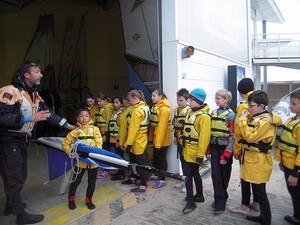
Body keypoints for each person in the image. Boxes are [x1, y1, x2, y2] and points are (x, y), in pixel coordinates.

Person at [0, 61, 76, 225]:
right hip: (8, 140)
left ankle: (10, 205)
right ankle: (20, 216)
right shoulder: (10, 92)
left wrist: (69, 126)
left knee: (20, 174)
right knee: (14, 176)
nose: (41, 75)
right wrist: (29, 118)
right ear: (27, 75)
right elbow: (2, 117)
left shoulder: (34, 95)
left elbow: (49, 114)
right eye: (37, 72)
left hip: (21, 140)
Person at [235, 90, 281, 224]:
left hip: (258, 161)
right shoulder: (257, 118)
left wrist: (243, 121)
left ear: (261, 107)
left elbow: (250, 136)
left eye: (251, 106)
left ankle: (266, 219)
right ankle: (262, 217)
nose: (249, 109)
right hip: (251, 159)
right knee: (257, 191)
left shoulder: (265, 121)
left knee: (260, 192)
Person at [230, 77, 260, 214]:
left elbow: (238, 131)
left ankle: (244, 205)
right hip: (258, 147)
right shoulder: (258, 100)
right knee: (255, 176)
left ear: (240, 91)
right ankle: (257, 202)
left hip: (245, 147)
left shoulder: (244, 105)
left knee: (245, 176)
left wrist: (236, 150)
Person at [62, 108, 102, 210]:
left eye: (86, 116)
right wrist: (72, 153)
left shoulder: (95, 130)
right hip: (80, 162)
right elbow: (66, 144)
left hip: (93, 162)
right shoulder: (75, 131)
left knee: (92, 182)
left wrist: (94, 155)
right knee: (75, 181)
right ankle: (71, 199)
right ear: (77, 118)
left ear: (90, 117)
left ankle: (88, 200)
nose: (84, 118)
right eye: (81, 116)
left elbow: (99, 144)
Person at [180, 88, 211, 214]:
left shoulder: (204, 117)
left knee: (188, 175)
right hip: (186, 149)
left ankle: (191, 203)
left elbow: (204, 137)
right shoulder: (190, 112)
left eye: (191, 100)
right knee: (193, 173)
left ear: (198, 101)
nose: (189, 102)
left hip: (194, 151)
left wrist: (200, 155)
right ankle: (199, 195)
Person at [274, 89, 300, 225]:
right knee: (293, 192)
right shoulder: (293, 119)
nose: (290, 106)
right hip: (288, 164)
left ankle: (297, 217)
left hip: (295, 168)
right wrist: (281, 160)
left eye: (294, 104)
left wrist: (295, 173)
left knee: (296, 193)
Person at [209, 89, 235, 214]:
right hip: (214, 148)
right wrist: (208, 150)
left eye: (218, 98)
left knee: (224, 176)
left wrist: (227, 155)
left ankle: (222, 196)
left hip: (225, 150)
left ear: (226, 100)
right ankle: (219, 200)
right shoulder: (213, 113)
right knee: (215, 175)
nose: (216, 100)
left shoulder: (231, 115)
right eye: (215, 97)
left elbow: (233, 137)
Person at [122, 90, 150, 193]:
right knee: (143, 162)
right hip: (142, 138)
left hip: (137, 140)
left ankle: (143, 185)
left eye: (129, 100)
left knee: (141, 164)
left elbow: (133, 129)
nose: (129, 102)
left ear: (135, 98)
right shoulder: (145, 107)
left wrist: (127, 144)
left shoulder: (137, 111)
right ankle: (142, 180)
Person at [148, 89, 172, 189]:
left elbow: (161, 127)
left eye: (154, 95)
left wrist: (158, 143)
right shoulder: (155, 107)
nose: (152, 97)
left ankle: (162, 179)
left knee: (162, 158)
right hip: (156, 138)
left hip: (163, 139)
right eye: (152, 95)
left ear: (160, 96)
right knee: (155, 157)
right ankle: (155, 174)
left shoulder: (165, 109)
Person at [94, 93, 113, 179]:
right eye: (97, 101)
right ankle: (107, 167)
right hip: (101, 132)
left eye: (100, 101)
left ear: (105, 101)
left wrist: (105, 134)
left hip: (106, 132)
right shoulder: (100, 108)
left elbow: (108, 121)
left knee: (106, 151)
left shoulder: (107, 108)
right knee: (103, 150)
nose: (98, 103)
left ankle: (107, 169)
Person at [109, 96, 125, 180]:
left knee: (120, 156)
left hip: (118, 139)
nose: (115, 104)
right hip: (114, 138)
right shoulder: (115, 112)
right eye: (114, 102)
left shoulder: (122, 112)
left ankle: (122, 173)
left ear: (122, 103)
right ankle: (120, 171)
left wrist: (119, 140)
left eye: (117, 102)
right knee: (117, 156)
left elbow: (121, 128)